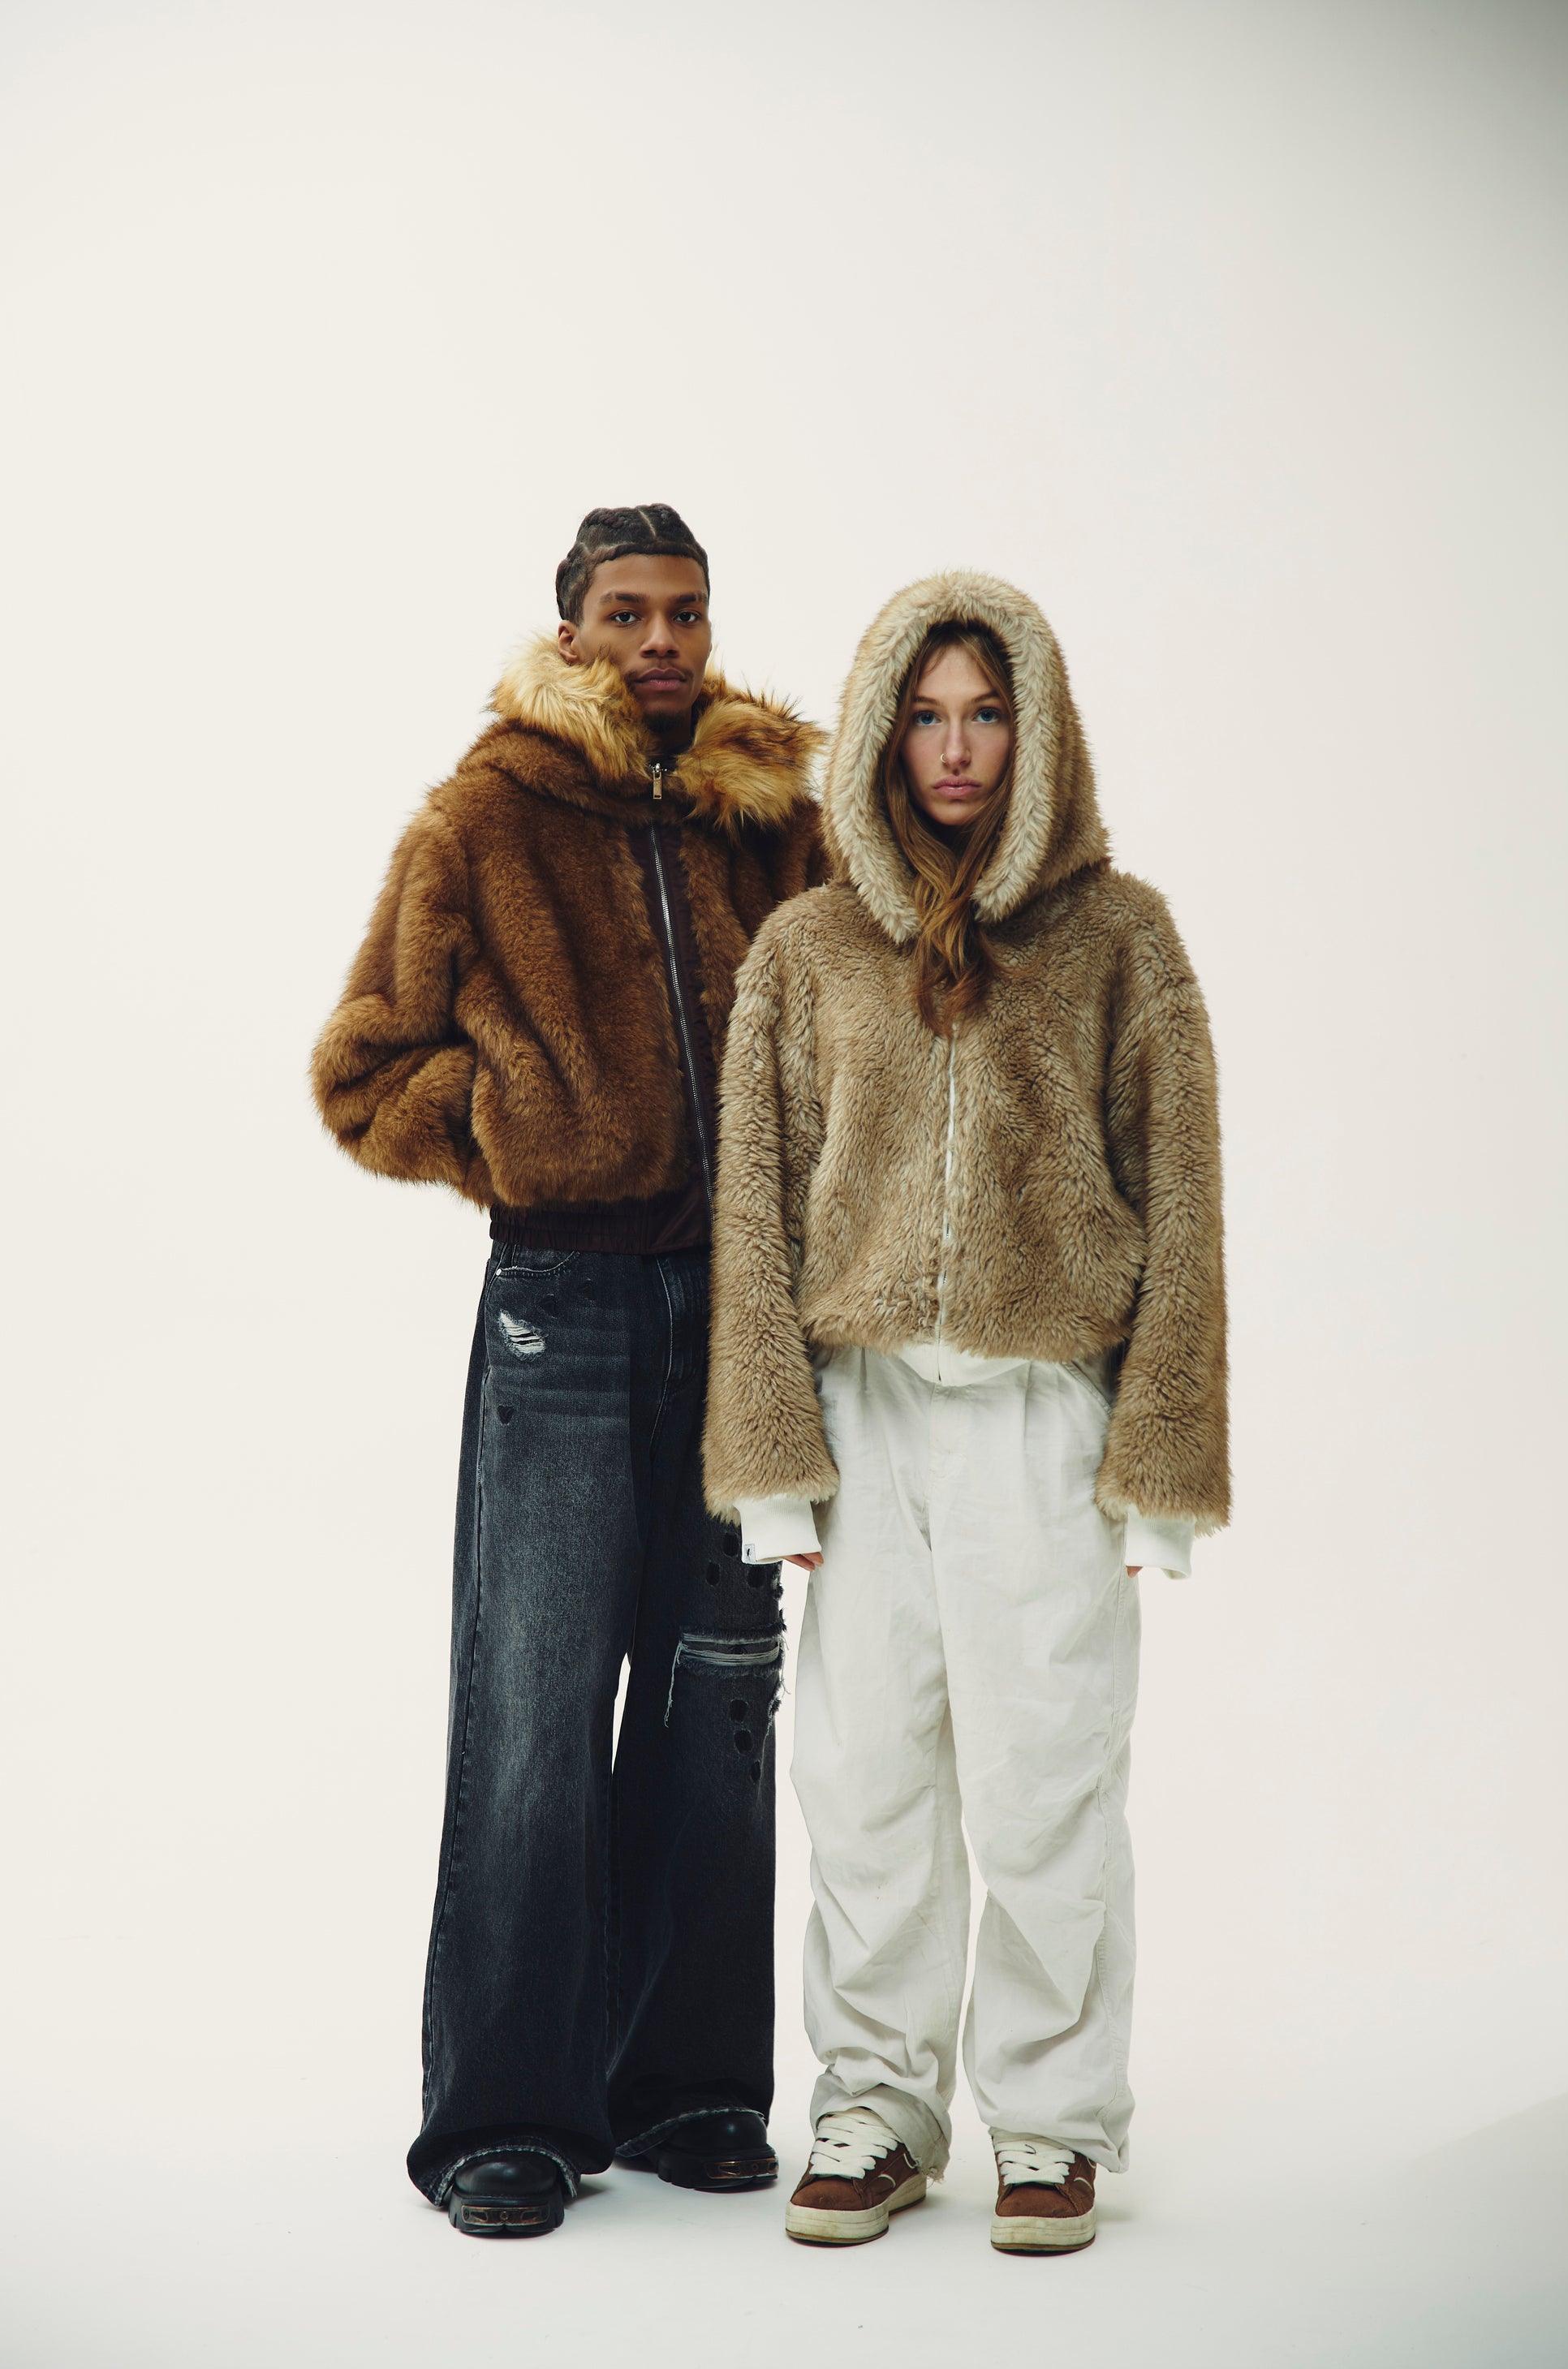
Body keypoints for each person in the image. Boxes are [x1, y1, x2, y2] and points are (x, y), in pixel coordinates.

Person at [312, 506, 824, 2237]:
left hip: (744, 1314)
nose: (661, 639)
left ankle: (689, 2088)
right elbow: (363, 1071)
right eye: (626, 612)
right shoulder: (485, 817)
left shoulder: (774, 818)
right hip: (565, 1309)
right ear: (572, 632)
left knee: (716, 1705)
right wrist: (525, 1130)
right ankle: (507, 2117)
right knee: (532, 1706)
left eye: (685, 611)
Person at [703, 571, 1228, 2255]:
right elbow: (755, 1213)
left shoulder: (1120, 937)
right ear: (877, 730)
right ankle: (873, 2104)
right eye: (924, 714)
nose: (953, 747)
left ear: (1036, 730)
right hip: (861, 1421)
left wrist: (1157, 1470)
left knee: (1044, 1780)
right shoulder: (804, 950)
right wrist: (772, 1468)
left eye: (986, 714)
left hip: (1040, 1424)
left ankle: (1052, 2120)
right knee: (862, 1783)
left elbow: (1181, 1199)